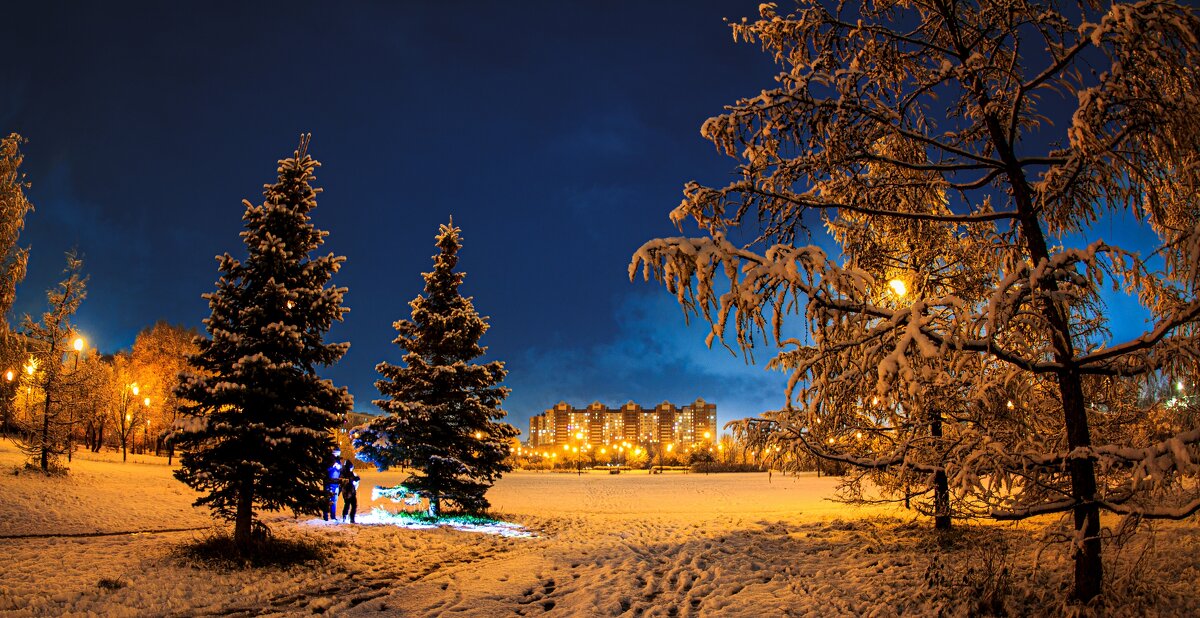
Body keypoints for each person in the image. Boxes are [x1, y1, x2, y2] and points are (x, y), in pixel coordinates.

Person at [325, 449, 343, 521]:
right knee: (328, 499)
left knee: (334, 500)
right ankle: (326, 516)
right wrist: (333, 466)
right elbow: (326, 468)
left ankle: (333, 516)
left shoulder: (337, 459)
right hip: (329, 482)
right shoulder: (328, 459)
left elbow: (340, 470)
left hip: (335, 482)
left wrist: (339, 468)